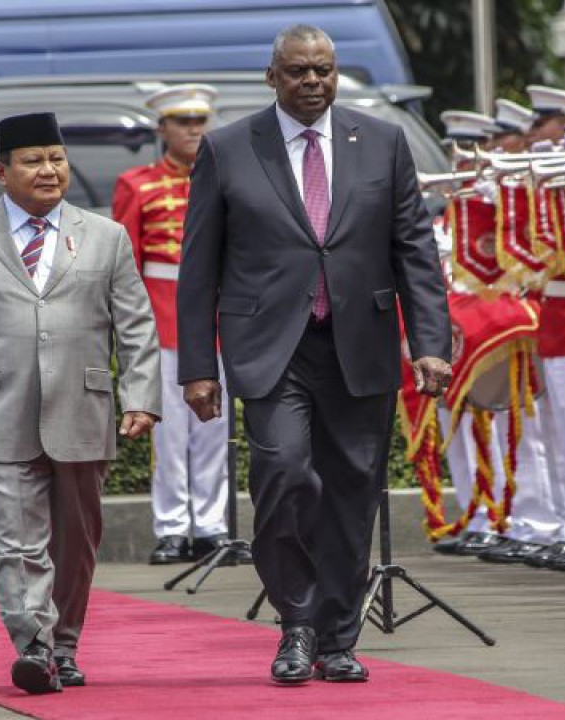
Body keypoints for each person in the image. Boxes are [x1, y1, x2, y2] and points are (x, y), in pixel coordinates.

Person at [176, 25, 452, 684]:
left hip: (360, 346)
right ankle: (295, 622)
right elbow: (198, 267)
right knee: (284, 478)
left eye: (323, 70)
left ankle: (336, 638)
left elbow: (414, 248)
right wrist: (196, 366)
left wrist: (431, 345)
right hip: (272, 351)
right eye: (298, 71)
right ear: (272, 76)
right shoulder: (228, 148)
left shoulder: (381, 142)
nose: (312, 82)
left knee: (353, 495)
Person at [0, 112, 162, 693]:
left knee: (75, 539)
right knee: (16, 539)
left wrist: (140, 395)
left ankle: (64, 644)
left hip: (82, 407)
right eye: (33, 161)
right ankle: (34, 644)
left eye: (56, 159)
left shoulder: (106, 236)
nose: (48, 170)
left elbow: (136, 325)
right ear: (1, 171)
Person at [113, 84, 250, 566]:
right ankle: (172, 527)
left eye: (199, 121)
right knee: (169, 432)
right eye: (182, 121)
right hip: (165, 316)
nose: (193, 130)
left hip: (221, 319)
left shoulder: (232, 177)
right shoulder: (137, 184)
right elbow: (126, 262)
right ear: (162, 128)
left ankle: (210, 526)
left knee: (215, 430)